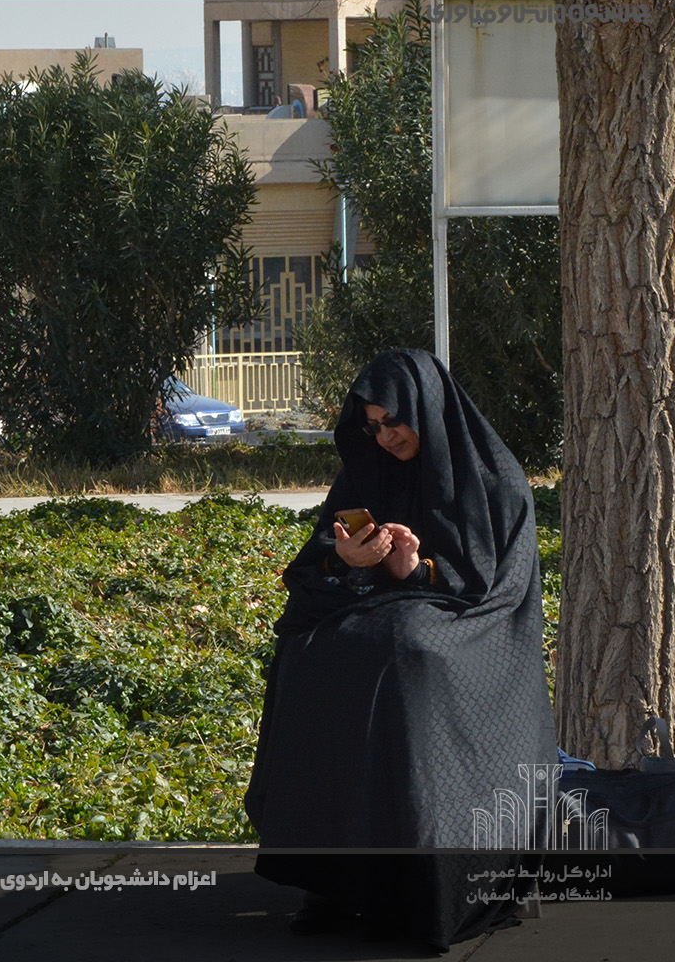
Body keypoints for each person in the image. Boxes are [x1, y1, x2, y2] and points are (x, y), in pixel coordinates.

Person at [244, 348, 555, 949]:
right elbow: (315, 566)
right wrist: (347, 558)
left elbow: (500, 583)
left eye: (394, 422)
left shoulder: (491, 476)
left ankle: (424, 886)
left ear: (427, 409)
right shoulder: (368, 471)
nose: (386, 438)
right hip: (379, 611)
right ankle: (332, 880)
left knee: (408, 650)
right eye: (374, 427)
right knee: (311, 653)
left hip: (474, 625)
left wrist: (419, 570)